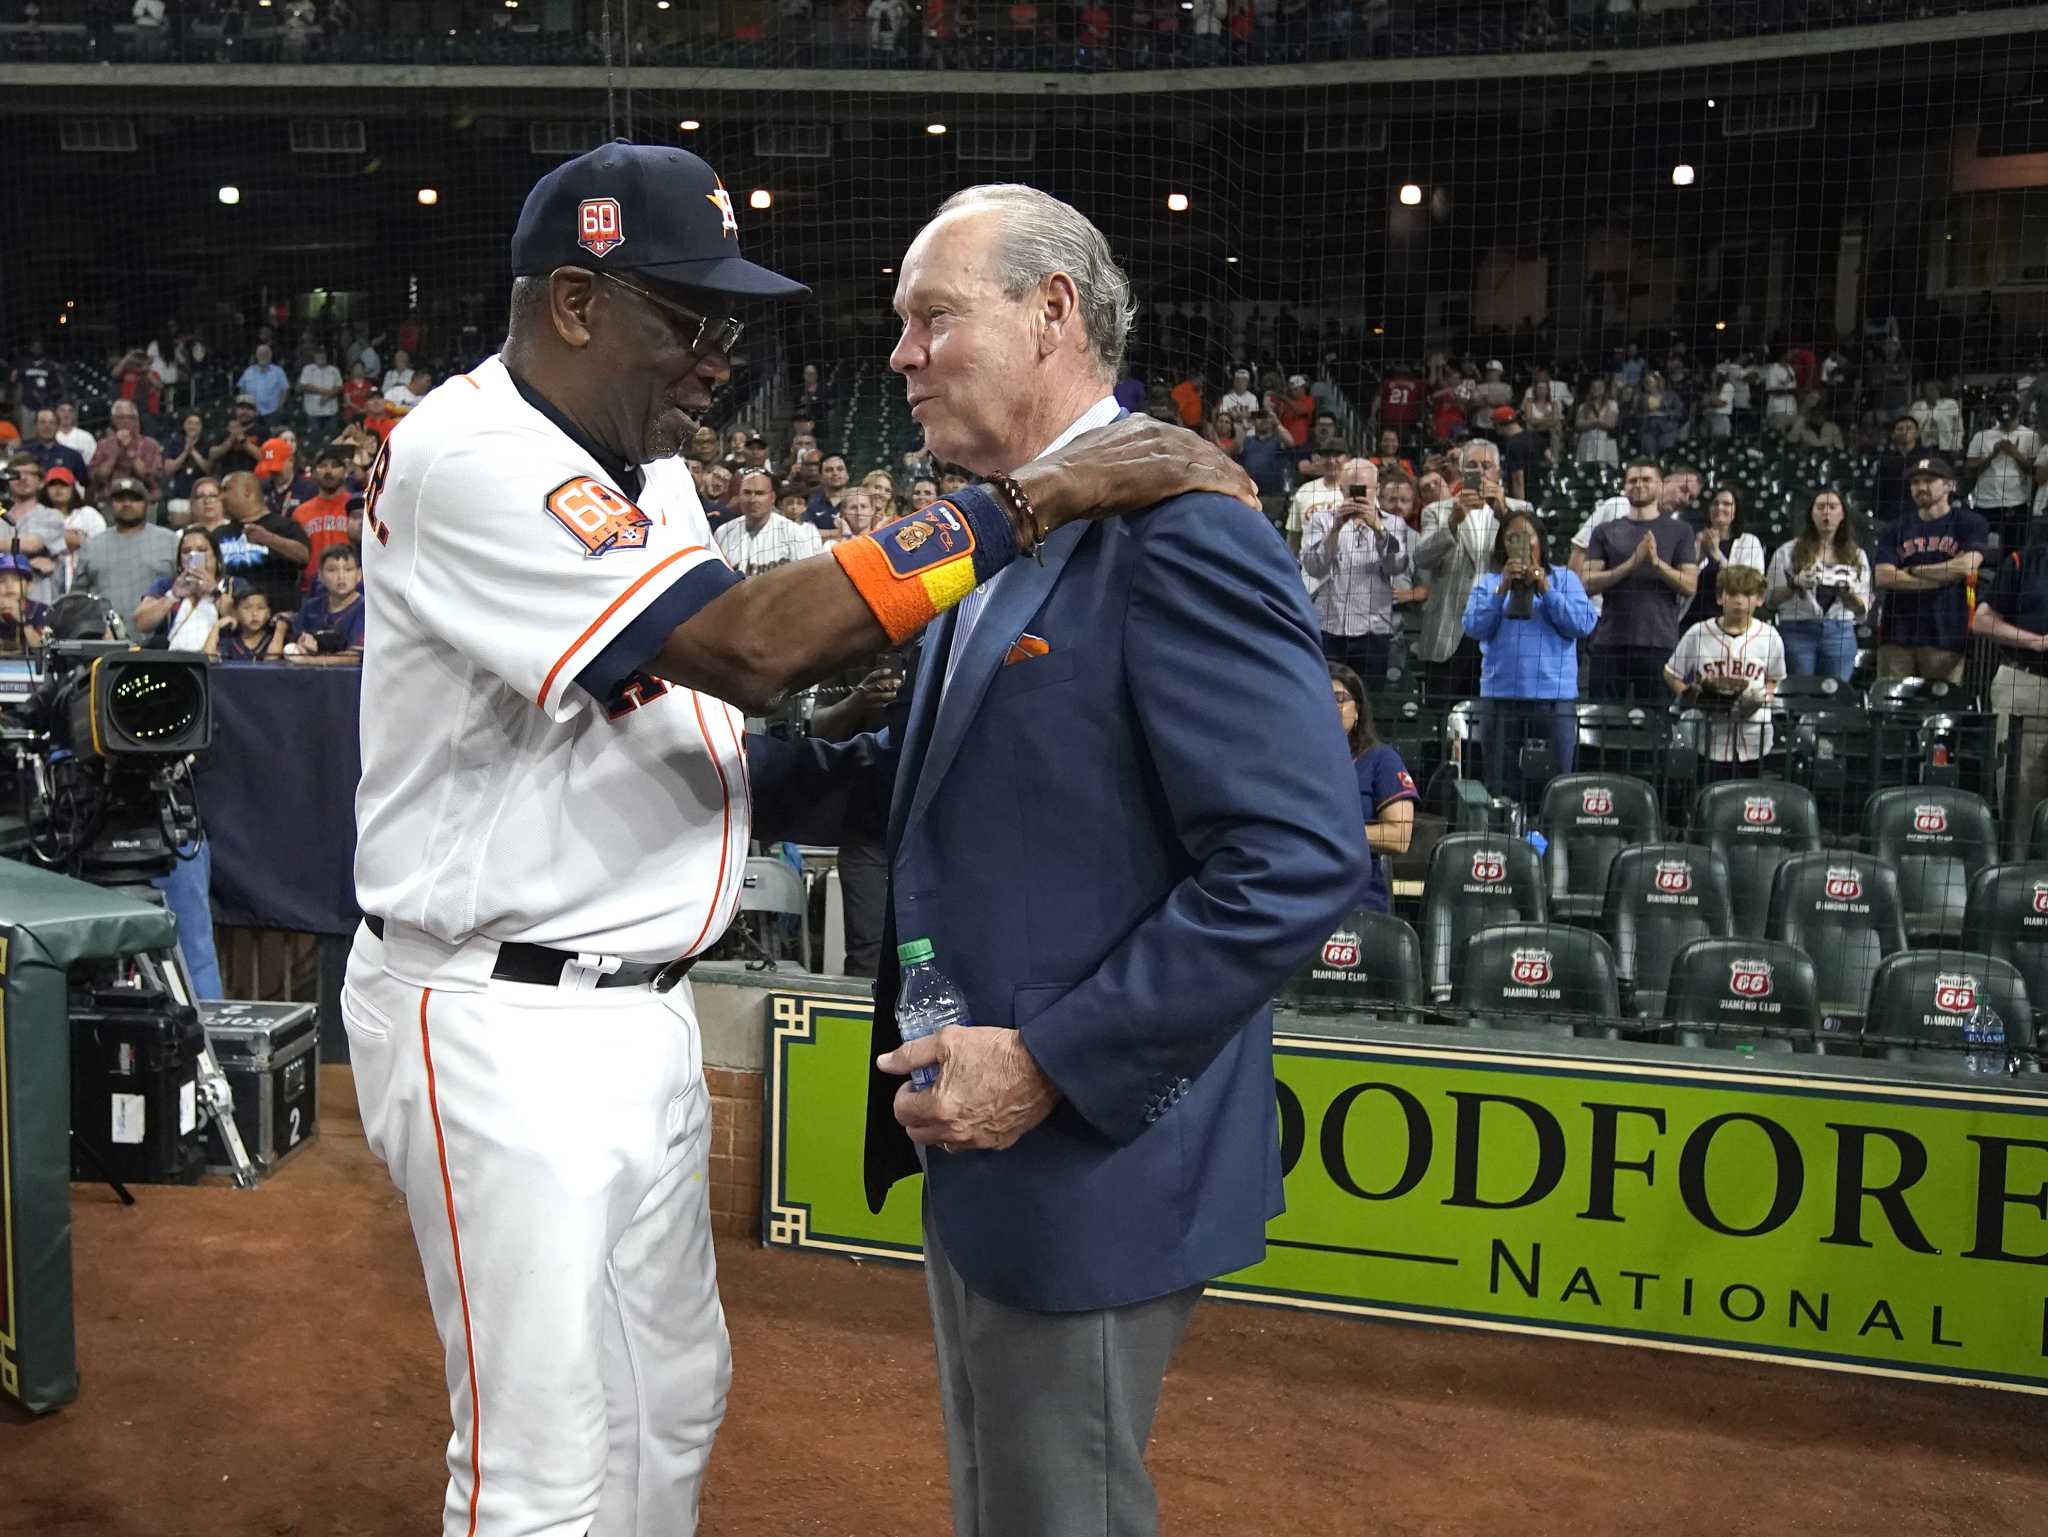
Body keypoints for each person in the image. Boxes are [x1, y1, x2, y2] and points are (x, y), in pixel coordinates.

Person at [340, 143, 1253, 1537]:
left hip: (635, 1002)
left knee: (677, 1393)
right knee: (535, 1460)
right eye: (688, 320)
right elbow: (749, 649)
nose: (719, 358)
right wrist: (1034, 500)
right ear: (577, 306)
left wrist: (928, 727)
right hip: (494, 1010)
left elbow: (697, 729)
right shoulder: (470, 453)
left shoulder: (644, 466)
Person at [746, 182, 1362, 1537]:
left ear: (1052, 313)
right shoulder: (1017, 526)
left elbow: (1298, 857)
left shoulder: (1182, 523)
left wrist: (1048, 1065)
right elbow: (930, 783)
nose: (900, 355)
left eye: (931, 318)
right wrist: (719, 776)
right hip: (988, 1143)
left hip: (1084, 1144)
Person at [1462, 512, 1597, 809]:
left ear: (1540, 541)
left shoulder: (1564, 579)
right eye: (1512, 537)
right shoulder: (1490, 583)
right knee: (1499, 787)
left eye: (1527, 536)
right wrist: (1501, 591)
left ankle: (1550, 842)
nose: (1521, 543)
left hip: (1555, 700)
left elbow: (1583, 625)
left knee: (1558, 788)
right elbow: (1473, 627)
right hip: (1500, 698)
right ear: (1503, 546)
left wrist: (1546, 590)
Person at [1411, 439, 1526, 704]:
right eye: (1472, 466)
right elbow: (1421, 558)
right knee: (1443, 720)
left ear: (1498, 472)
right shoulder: (1437, 511)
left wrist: (1504, 514)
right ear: (1462, 472)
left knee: (1493, 722)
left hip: (1500, 628)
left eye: (1486, 466)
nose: (1480, 472)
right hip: (1449, 631)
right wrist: (1452, 522)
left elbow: (1530, 560)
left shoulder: (1521, 511)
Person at [1581, 459, 1699, 702]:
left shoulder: (1681, 531)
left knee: (1657, 729)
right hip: (1610, 642)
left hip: (1660, 643)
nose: (1639, 484)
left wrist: (1656, 563)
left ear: (1660, 484)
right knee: (1603, 724)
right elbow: (1588, 583)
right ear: (1624, 486)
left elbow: (1689, 585)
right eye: (1632, 480)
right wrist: (1632, 563)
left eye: (1646, 479)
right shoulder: (1604, 531)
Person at [1665, 564, 1786, 779]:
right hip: (1711, 735)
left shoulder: (1770, 636)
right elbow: (1671, 673)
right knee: (1710, 796)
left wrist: (1760, 698)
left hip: (1754, 735)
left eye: (1747, 594)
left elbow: (1775, 679)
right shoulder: (1698, 633)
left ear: (1759, 599)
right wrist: (1695, 697)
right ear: (1720, 598)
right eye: (1732, 593)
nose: (1739, 601)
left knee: (1750, 800)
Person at [1873, 454, 1986, 683]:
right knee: (1891, 709)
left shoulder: (1970, 522)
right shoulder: (1895, 527)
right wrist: (1943, 577)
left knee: (1939, 711)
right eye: (1915, 482)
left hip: (1946, 632)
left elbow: (1967, 566)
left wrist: (1913, 570)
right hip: (1897, 633)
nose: (1920, 487)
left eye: (1929, 480)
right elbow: (1883, 576)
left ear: (1949, 485)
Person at [1299, 457, 1414, 679]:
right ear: (1341, 489)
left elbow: (1396, 566)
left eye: (1364, 489)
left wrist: (1378, 528)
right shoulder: (1321, 521)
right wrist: (1336, 528)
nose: (1358, 495)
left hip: (1374, 631)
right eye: (1352, 489)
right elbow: (1313, 567)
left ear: (1377, 489)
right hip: (1330, 628)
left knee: (1370, 700)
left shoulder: (1394, 524)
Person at [1971, 527, 2048, 826]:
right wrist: (2037, 642)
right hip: (2026, 683)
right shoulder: (2024, 562)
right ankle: (2019, 870)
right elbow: (1982, 621)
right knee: (2021, 794)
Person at [1329, 661, 1416, 915]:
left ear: (1357, 711)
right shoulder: (1295, 758)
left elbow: (1399, 837)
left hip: (1359, 900)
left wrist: (1334, 833)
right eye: (1322, 697)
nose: (1330, 706)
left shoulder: (1380, 760)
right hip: (1299, 895)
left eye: (1339, 699)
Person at [1764, 488, 1869, 682]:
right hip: (1797, 629)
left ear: (1842, 514)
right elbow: (1770, 601)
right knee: (1800, 694)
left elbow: (1862, 610)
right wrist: (1794, 584)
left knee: (1836, 695)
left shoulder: (1857, 555)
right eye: (1820, 507)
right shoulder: (1787, 552)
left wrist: (1847, 594)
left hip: (1841, 632)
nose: (1826, 512)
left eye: (1832, 507)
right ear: (1811, 513)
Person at [74, 477, 179, 622]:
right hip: (105, 638)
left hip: (159, 639)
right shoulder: (93, 546)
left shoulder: (171, 541)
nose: (127, 504)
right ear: (111, 504)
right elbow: (77, 598)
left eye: (135, 499)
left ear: (146, 504)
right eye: (120, 499)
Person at [1682, 485, 1765, 632]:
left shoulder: (1749, 542)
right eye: (1715, 503)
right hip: (1691, 621)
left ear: (1735, 512)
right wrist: (1699, 559)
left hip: (1728, 623)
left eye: (1726, 504)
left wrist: (1716, 554)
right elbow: (1683, 581)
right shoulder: (1695, 540)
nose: (1719, 507)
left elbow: (1749, 583)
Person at [133, 525, 228, 650]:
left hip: (220, 659)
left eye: (202, 550)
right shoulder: (166, 585)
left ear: (217, 558)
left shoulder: (232, 585)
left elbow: (245, 619)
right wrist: (172, 596)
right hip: (174, 661)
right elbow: (141, 623)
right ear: (179, 561)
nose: (193, 555)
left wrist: (215, 593)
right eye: (187, 551)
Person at [284, 543, 365, 654]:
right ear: (320, 576)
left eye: (348, 569)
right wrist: (301, 644)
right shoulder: (310, 608)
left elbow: (353, 657)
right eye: (332, 570)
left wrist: (307, 661)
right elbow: (295, 642)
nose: (341, 576)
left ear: (359, 575)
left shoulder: (365, 610)